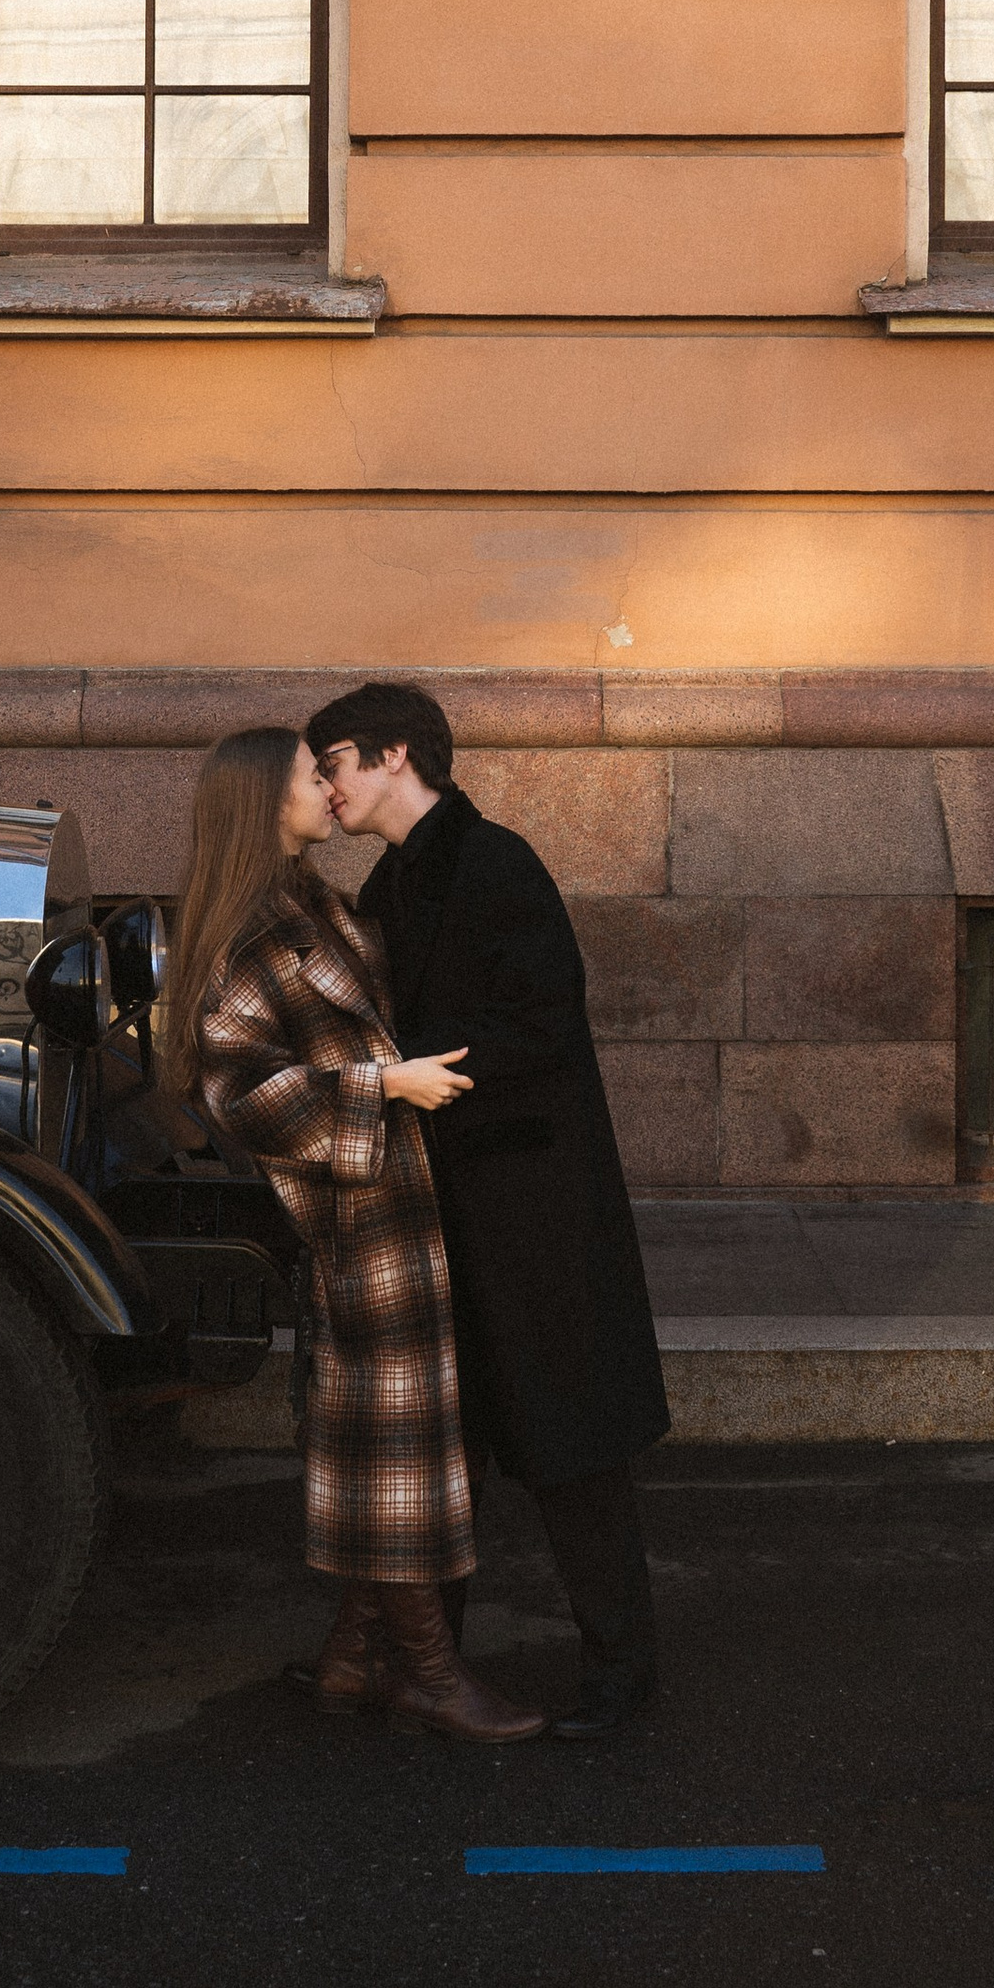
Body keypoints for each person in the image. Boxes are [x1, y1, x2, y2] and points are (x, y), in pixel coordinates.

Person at [165, 724, 545, 1744]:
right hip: (357, 1223)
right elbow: (236, 1092)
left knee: (400, 1442)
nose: (326, 789)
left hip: (394, 1210)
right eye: (307, 774)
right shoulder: (251, 932)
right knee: (402, 1461)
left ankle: (349, 1656)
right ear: (261, 801)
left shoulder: (315, 904)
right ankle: (428, 1674)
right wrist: (385, 1085)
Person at [310, 680, 670, 1741]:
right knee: (444, 1448)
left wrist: (424, 1076)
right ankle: (425, 1664)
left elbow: (545, 1023)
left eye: (333, 761)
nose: (326, 786)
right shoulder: (392, 882)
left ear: (393, 757)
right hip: (449, 1208)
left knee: (572, 1451)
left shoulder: (495, 862)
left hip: (533, 1213)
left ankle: (621, 1673)